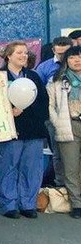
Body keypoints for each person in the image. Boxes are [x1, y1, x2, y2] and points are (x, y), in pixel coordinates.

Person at [0, 41, 50, 219]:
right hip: (10, 131)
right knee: (8, 167)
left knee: (31, 168)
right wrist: (9, 111)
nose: (23, 56)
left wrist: (26, 111)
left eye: (26, 53)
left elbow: (43, 102)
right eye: (19, 53)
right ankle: (8, 203)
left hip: (33, 131)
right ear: (9, 56)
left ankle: (27, 203)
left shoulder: (33, 77)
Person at [47, 45, 81, 219]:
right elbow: (50, 106)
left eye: (79, 57)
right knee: (71, 167)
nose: (77, 60)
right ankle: (77, 203)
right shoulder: (58, 80)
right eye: (72, 57)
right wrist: (57, 123)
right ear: (66, 61)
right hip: (69, 125)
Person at [36, 36, 74, 187]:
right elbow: (38, 94)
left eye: (66, 54)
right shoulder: (44, 68)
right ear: (53, 50)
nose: (63, 57)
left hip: (75, 116)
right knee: (58, 154)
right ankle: (61, 186)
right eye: (59, 54)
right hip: (55, 117)